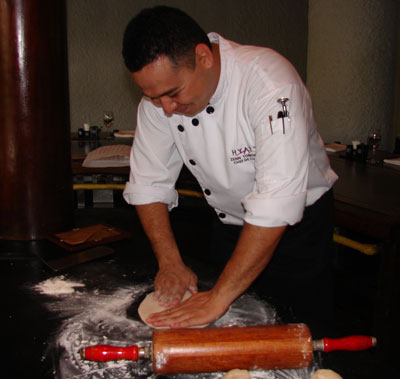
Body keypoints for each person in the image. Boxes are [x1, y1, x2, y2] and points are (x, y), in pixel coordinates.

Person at [122, 5, 338, 338]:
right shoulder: (159, 100)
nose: (166, 108)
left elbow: (274, 203)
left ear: (203, 57)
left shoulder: (269, 84)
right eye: (153, 97)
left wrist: (220, 296)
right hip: (229, 226)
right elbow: (148, 183)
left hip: (297, 233)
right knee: (231, 337)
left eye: (173, 93)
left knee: (298, 339)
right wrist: (170, 262)